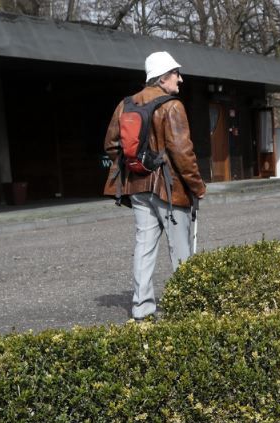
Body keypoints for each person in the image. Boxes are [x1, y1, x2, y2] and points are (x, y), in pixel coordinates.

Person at [103, 51, 207, 320]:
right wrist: (197, 186)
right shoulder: (172, 106)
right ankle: (188, 307)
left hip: (137, 189)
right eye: (176, 74)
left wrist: (136, 167)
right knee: (180, 249)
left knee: (144, 247)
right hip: (169, 191)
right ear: (162, 78)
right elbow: (182, 153)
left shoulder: (125, 105)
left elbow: (111, 146)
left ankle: (141, 308)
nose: (180, 79)